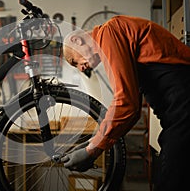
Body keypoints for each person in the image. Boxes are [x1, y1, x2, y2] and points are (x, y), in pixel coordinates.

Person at [61, 15, 190, 191]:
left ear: (77, 41)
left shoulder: (109, 32)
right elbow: (132, 109)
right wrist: (95, 141)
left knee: (170, 179)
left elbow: (126, 103)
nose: (81, 68)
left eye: (74, 62)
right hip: (178, 113)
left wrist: (91, 151)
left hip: (184, 106)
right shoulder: (116, 41)